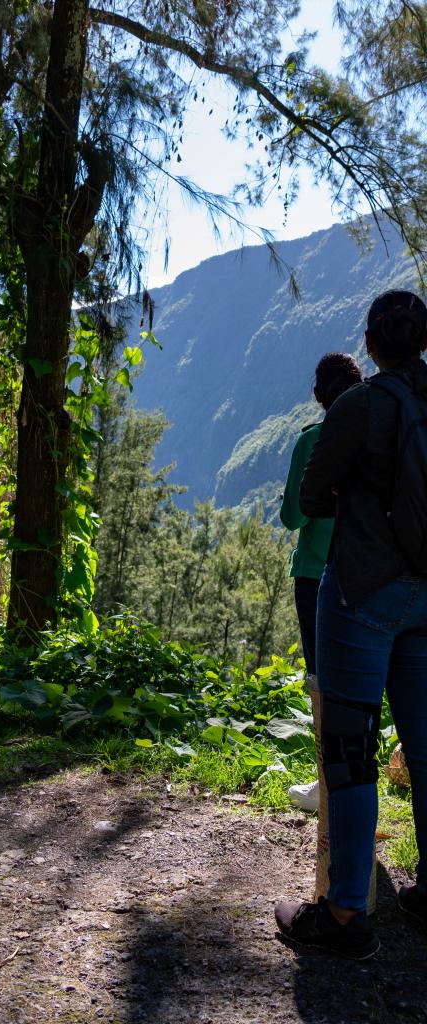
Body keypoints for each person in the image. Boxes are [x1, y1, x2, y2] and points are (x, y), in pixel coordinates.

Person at [275, 290, 427, 960]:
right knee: (423, 744)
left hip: (362, 591)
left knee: (349, 749)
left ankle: (343, 914)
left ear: (371, 342)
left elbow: (310, 499)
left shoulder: (357, 407)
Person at [280, 353, 362, 812]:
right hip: (371, 570)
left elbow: (293, 514)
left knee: (321, 679)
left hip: (315, 574)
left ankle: (326, 786)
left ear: (318, 395)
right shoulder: (375, 437)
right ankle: (356, 778)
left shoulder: (312, 440)